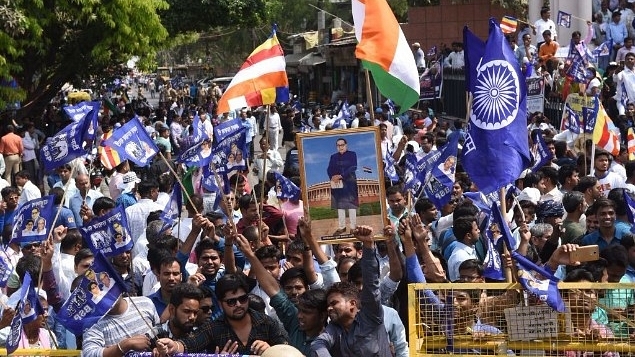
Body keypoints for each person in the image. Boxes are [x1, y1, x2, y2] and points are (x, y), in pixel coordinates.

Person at [156, 273, 289, 355]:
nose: (238, 304)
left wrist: (270, 351)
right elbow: (189, 345)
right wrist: (173, 346)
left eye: (242, 299)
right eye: (231, 301)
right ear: (220, 304)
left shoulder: (267, 323)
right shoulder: (213, 328)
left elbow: (286, 350)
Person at [311, 225, 392, 356]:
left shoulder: (371, 315)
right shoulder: (335, 327)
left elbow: (371, 284)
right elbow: (318, 344)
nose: (329, 308)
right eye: (328, 305)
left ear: (352, 304)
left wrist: (368, 245)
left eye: (334, 303)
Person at [82, 295, 159, 357]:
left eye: (109, 288)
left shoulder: (145, 303)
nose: (104, 293)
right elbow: (89, 354)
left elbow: (160, 331)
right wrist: (124, 346)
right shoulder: (92, 322)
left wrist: (159, 348)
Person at [327, 138, 359, 235]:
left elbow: (353, 167)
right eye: (338, 145)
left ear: (346, 145)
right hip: (337, 183)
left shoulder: (352, 154)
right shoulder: (333, 157)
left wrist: (341, 176)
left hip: (349, 182)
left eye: (342, 145)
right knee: (339, 205)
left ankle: (353, 227)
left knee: (351, 205)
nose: (340, 147)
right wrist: (332, 177)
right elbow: (329, 169)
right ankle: (342, 227)